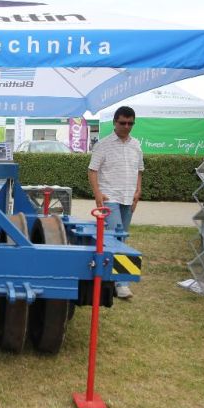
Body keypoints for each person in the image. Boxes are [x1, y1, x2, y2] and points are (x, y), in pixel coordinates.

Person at [87, 105, 144, 299]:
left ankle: (112, 278)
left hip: (129, 197)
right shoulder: (103, 144)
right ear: (115, 122)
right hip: (110, 197)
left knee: (122, 239)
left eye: (130, 123)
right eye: (123, 123)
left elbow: (139, 170)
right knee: (114, 238)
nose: (126, 126)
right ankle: (120, 284)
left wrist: (138, 191)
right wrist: (98, 194)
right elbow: (92, 170)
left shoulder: (136, 144)